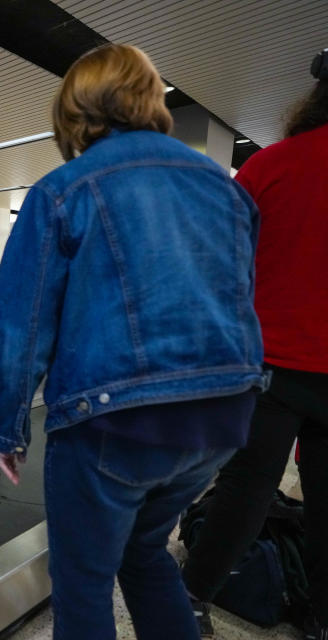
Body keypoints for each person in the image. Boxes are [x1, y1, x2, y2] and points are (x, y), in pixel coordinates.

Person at [0, 44, 266, 639]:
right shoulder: (229, 190)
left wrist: (7, 429)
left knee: (84, 583)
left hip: (115, 423)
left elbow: (22, 327)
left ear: (72, 110)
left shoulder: (63, 191)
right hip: (222, 417)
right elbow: (238, 296)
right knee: (145, 553)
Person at [182, 54, 328, 639]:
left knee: (247, 487)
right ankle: (319, 617)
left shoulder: (271, 165)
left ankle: (192, 598)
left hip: (268, 362)